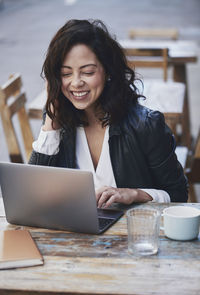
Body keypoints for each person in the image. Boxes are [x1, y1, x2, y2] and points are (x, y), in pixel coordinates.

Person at [29, 19, 188, 207]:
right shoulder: (58, 124)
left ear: (108, 71)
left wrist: (134, 194)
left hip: (131, 232)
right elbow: (33, 196)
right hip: (75, 233)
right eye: (65, 74)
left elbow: (178, 194)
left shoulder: (146, 125)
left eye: (87, 72)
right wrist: (51, 123)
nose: (76, 82)